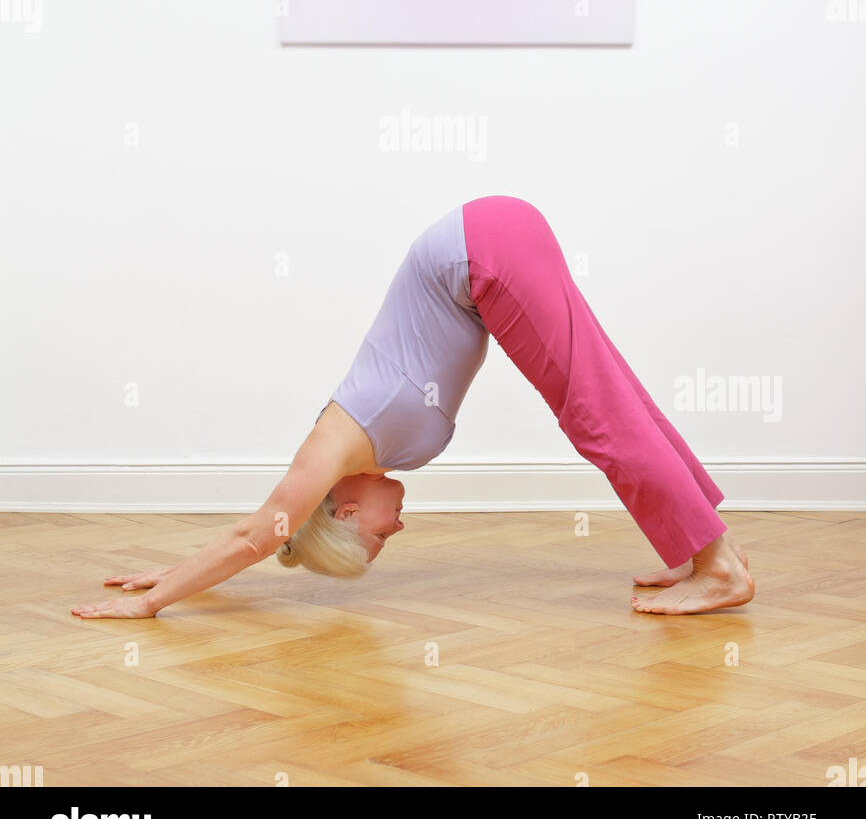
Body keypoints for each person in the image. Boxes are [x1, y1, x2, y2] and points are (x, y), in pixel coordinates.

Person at [72, 196, 754, 621]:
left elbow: (257, 535)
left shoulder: (333, 448)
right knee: (609, 394)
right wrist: (175, 568)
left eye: (374, 540)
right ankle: (700, 549)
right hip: (486, 242)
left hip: (482, 250)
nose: (394, 533)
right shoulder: (353, 454)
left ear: (344, 513)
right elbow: (264, 528)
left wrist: (156, 603)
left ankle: (719, 568)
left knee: (595, 413)